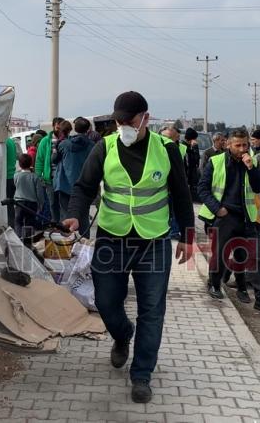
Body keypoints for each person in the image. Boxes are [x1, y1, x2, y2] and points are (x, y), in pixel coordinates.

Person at [62, 91, 195, 404]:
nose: (123, 127)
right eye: (119, 121)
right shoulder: (104, 147)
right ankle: (122, 335)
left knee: (152, 309)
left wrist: (189, 237)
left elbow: (181, 194)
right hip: (112, 238)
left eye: (130, 121)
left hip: (154, 241)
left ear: (145, 118)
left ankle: (142, 375)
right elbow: (83, 188)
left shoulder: (167, 149)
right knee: (107, 302)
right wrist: (74, 217)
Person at [197, 130, 260, 314]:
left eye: (245, 145)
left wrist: (251, 168)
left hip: (248, 217)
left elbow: (259, 188)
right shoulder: (215, 162)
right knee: (220, 254)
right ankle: (214, 283)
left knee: (255, 259)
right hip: (225, 216)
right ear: (228, 145)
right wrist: (218, 209)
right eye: (238, 145)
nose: (242, 149)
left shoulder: (254, 161)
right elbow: (202, 188)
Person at [54, 117, 95, 237]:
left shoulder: (64, 144)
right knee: (84, 217)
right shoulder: (93, 146)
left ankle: (66, 245)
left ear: (74, 129)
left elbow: (54, 160)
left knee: (65, 216)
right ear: (88, 130)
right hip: (84, 186)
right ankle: (84, 245)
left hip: (65, 185)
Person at [36, 118, 64, 222]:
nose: (59, 130)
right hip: (50, 178)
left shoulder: (66, 140)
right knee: (52, 203)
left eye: (61, 128)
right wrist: (39, 176)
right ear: (53, 126)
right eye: (58, 127)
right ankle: (56, 223)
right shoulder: (45, 141)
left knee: (63, 204)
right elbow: (39, 160)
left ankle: (63, 225)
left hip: (63, 178)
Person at [13, 154, 46, 242]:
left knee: (18, 221)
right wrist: (41, 204)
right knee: (29, 222)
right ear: (31, 163)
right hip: (32, 203)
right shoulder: (35, 177)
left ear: (19, 164)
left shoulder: (16, 176)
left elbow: (15, 187)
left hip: (19, 203)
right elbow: (39, 192)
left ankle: (18, 239)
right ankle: (28, 241)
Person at [183, 128, 201, 200]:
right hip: (186, 175)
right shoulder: (186, 148)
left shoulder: (188, 147)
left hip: (189, 175)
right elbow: (196, 160)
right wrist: (195, 147)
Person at [5, 136, 20, 225]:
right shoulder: (10, 141)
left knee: (7, 205)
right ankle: (12, 225)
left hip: (6, 177)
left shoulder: (4, 142)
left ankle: (10, 226)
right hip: (12, 176)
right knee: (10, 204)